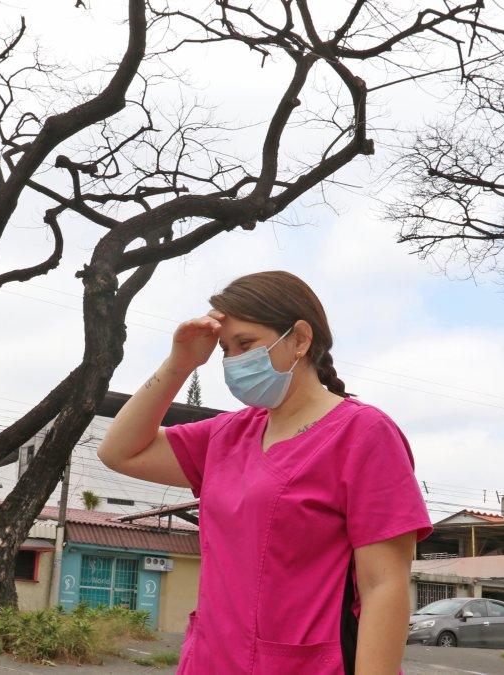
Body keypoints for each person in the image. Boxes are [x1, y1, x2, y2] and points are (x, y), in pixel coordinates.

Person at [98, 271, 431, 674]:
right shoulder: (228, 434)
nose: (234, 361)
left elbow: (384, 587)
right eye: (225, 350)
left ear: (300, 340)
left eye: (246, 344)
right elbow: (119, 452)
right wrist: (180, 362)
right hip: (209, 662)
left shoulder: (364, 434)